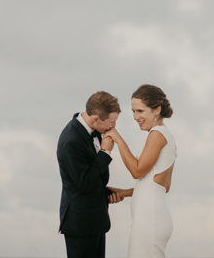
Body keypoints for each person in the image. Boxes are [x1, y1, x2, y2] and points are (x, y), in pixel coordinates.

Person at [103, 84, 176, 258]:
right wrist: (125, 192)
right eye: (133, 111)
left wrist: (118, 140)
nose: (136, 117)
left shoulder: (157, 134)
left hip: (149, 220)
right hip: (152, 217)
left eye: (140, 111)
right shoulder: (164, 135)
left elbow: (137, 171)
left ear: (157, 109)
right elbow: (162, 186)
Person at [57, 91, 128, 258]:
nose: (114, 126)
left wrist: (106, 193)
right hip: (80, 224)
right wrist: (104, 153)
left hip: (95, 220)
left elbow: (92, 177)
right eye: (112, 122)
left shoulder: (94, 131)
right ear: (96, 118)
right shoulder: (71, 140)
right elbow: (84, 184)